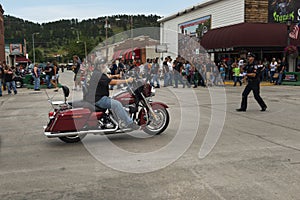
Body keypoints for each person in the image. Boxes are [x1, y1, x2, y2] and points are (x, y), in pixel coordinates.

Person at [85, 57, 140, 130]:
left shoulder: (97, 73)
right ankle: (129, 123)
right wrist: (127, 80)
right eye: (103, 64)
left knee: (115, 99)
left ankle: (115, 119)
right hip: (99, 99)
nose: (105, 65)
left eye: (104, 64)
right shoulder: (98, 74)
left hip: (95, 97)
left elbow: (107, 78)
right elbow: (111, 82)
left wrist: (116, 76)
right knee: (117, 104)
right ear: (99, 65)